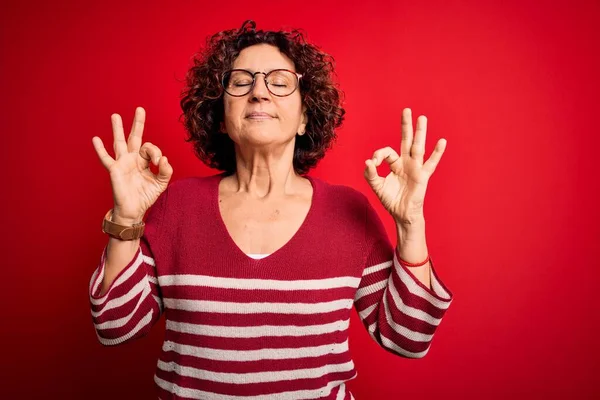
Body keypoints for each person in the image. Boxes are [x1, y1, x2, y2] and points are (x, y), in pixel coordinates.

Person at [89, 20, 453, 400]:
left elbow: (409, 336)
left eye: (279, 82)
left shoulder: (349, 211)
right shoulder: (176, 206)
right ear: (221, 117)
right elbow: (115, 326)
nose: (259, 92)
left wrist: (411, 224)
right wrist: (127, 219)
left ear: (303, 118)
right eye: (241, 82)